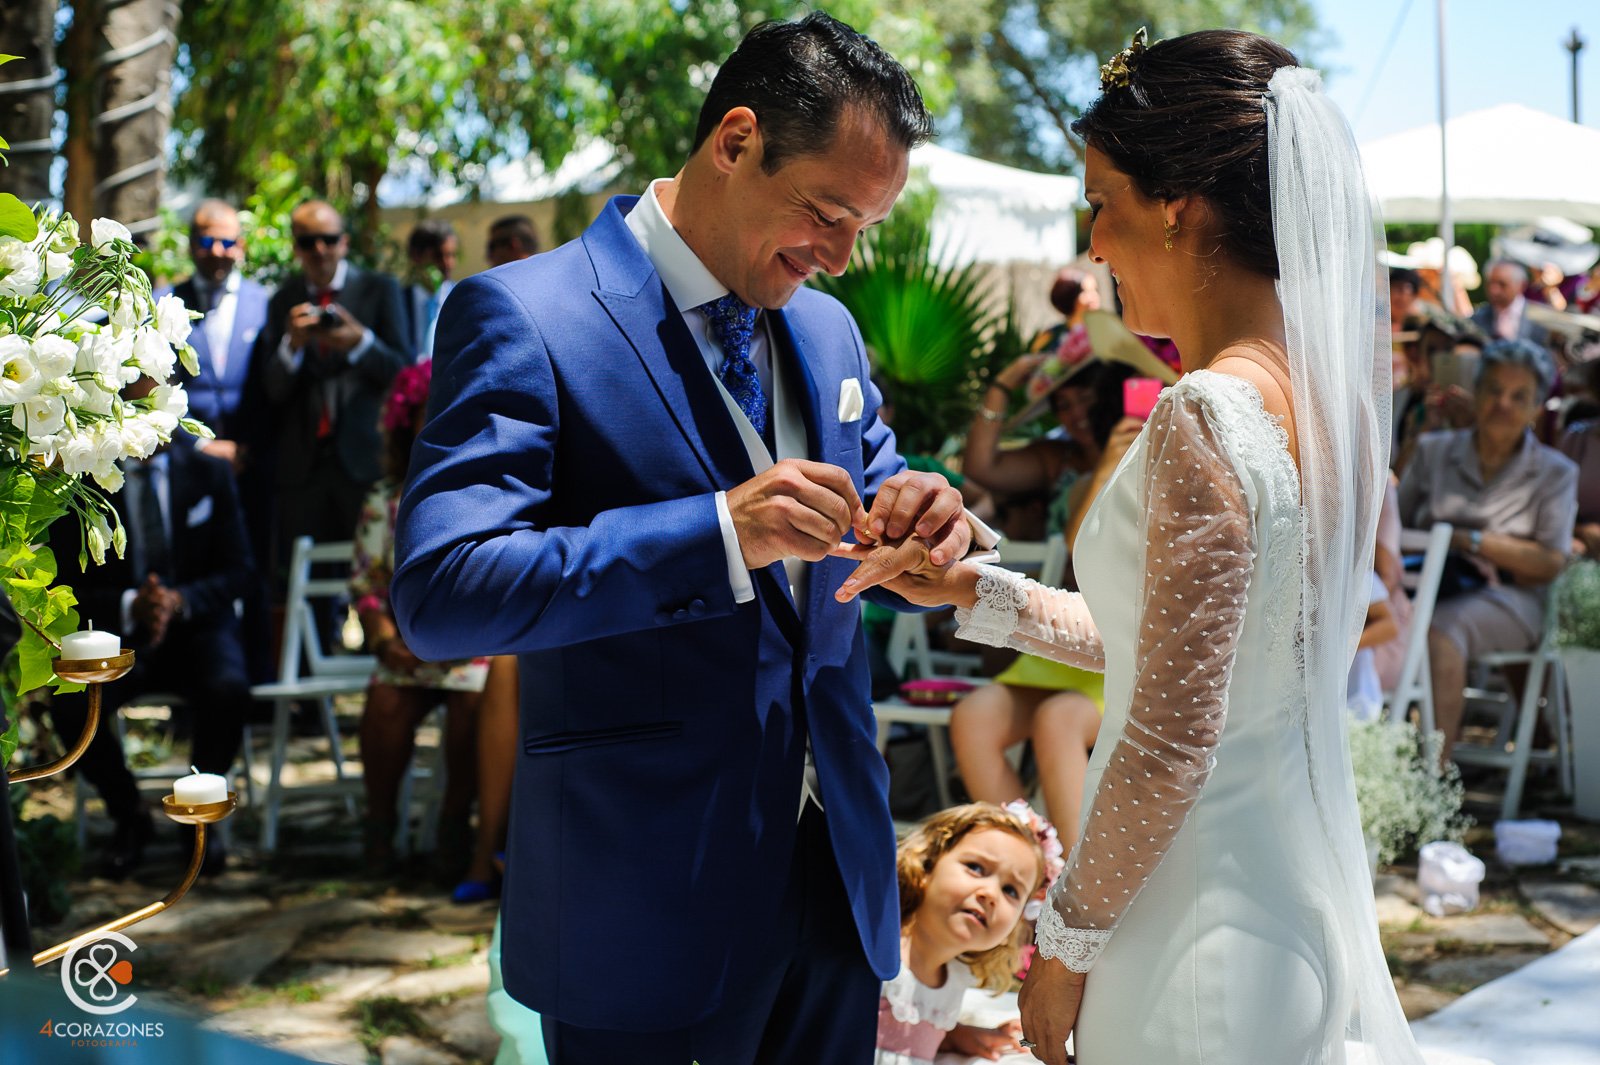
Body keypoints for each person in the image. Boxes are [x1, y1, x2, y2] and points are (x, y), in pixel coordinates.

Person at [391, 13, 990, 1062]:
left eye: (867, 229)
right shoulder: (524, 315)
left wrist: (932, 530)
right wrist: (717, 532)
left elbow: (871, 517)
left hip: (839, 886)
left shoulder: (826, 329)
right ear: (735, 141)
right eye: (826, 213)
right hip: (642, 907)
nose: (844, 259)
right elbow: (444, 593)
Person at [835, 28, 1426, 1065]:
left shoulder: (1208, 410)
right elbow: (1188, 655)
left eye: (1100, 201)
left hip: (1195, 923)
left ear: (1174, 203)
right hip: (1286, 902)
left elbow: (1166, 736)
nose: (1095, 244)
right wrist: (974, 589)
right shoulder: (1330, 408)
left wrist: (1059, 950)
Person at [48, 376, 256, 877]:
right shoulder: (83, 480)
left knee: (229, 688)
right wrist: (130, 604)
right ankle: (128, 817)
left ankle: (197, 821)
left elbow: (240, 570)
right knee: (69, 704)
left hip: (197, 630)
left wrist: (177, 601)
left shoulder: (207, 473)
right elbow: (64, 582)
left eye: (154, 396)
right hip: (117, 634)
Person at [350, 362, 514, 899]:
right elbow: (369, 587)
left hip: (471, 649)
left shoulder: (486, 493)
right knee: (385, 704)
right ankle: (378, 831)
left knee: (473, 702)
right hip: (406, 644)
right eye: (426, 413)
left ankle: (452, 829)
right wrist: (383, 641)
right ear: (407, 421)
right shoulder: (385, 500)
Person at [1398, 339, 1578, 763]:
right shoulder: (1434, 450)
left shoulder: (1555, 473)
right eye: (1493, 390)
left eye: (1519, 397)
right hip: (1426, 583)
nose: (1503, 404)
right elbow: (1397, 525)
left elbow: (1551, 561)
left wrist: (1469, 541)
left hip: (1513, 598)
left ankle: (1433, 778)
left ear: (1537, 407)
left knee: (1440, 630)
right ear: (1475, 393)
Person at [248, 200, 409, 574]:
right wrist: (292, 346)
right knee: (308, 589)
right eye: (308, 242)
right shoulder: (283, 300)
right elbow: (271, 390)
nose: (319, 250)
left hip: (367, 463)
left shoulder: (379, 289)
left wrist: (359, 342)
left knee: (377, 584)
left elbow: (403, 374)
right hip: (303, 472)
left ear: (344, 243)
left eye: (328, 239)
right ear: (295, 248)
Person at [877, 803, 1049, 1065]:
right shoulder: (876, 950)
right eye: (976, 868)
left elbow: (906, 1033)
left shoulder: (955, 978)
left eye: (1011, 891)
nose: (989, 894)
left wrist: (959, 1036)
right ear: (927, 865)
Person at [163, 199, 270, 469]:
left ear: (241, 246)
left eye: (228, 243)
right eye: (208, 242)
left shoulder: (263, 302)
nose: (218, 251)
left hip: (250, 461)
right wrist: (201, 445)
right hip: (187, 461)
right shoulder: (165, 303)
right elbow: (158, 388)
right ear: (191, 245)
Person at [403, 219, 458, 361]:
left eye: (452, 255)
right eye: (439, 256)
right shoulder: (399, 301)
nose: (448, 264)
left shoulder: (462, 298)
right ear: (416, 256)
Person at [1472, 259, 1552, 347]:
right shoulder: (1477, 318)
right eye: (1490, 283)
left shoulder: (1542, 318)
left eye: (1502, 284)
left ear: (1521, 285)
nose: (1494, 290)